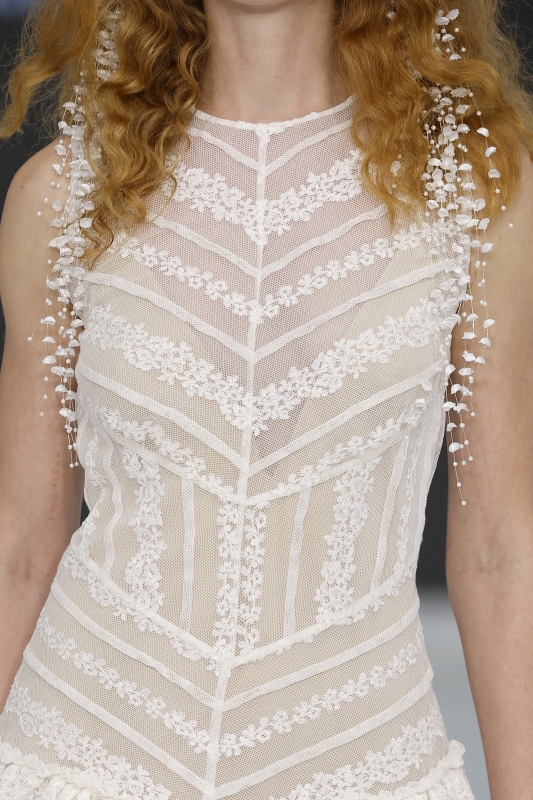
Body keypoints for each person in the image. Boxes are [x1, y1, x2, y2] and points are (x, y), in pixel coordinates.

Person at [0, 0, 532, 798]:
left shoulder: (474, 188)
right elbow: (20, 542)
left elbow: (499, 549)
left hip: (366, 765)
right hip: (79, 758)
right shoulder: (66, 195)